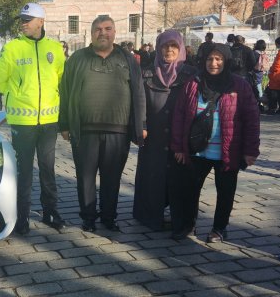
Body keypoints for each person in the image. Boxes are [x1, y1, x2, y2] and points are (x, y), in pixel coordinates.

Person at [60, 16, 146, 233]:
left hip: (118, 131)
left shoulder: (127, 59)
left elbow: (139, 93)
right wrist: (64, 124)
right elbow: (65, 92)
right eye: (98, 29)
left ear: (115, 32)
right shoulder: (77, 58)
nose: (103, 33)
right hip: (84, 131)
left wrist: (141, 124)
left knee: (112, 178)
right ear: (91, 33)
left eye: (107, 28)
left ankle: (109, 217)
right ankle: (88, 218)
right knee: (86, 178)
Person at [170, 44, 260, 242]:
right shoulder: (193, 84)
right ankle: (188, 224)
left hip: (227, 150)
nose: (214, 63)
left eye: (219, 59)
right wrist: (178, 147)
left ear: (226, 61)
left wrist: (251, 150)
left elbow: (252, 119)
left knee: (225, 192)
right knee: (190, 191)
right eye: (210, 59)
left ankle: (219, 228)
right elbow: (179, 116)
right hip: (197, 150)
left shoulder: (239, 85)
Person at [0, 2, 66, 235]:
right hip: (23, 123)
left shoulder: (55, 48)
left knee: (48, 168)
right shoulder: (12, 48)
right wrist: (17, 91)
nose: (23, 24)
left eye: (28, 19)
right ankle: (21, 216)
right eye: (21, 19)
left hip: (49, 121)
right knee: (24, 171)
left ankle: (50, 211)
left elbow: (60, 80)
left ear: (41, 22)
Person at [133, 30, 197, 231]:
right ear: (159, 48)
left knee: (181, 178)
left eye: (174, 47)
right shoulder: (146, 73)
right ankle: (150, 216)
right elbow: (140, 102)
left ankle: (182, 220)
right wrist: (141, 127)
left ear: (180, 49)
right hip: (154, 135)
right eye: (165, 46)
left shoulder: (191, 74)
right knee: (153, 176)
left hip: (181, 136)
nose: (169, 50)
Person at [253, 39, 269, 105]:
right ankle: (260, 103)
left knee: (254, 87)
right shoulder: (263, 54)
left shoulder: (254, 53)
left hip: (254, 72)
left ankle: (256, 102)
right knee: (259, 86)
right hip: (260, 72)